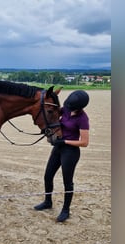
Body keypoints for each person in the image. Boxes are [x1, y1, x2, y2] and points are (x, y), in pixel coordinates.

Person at [34, 90, 90, 222]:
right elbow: (52, 117)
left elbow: (84, 142)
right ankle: (48, 201)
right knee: (48, 175)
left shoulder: (83, 119)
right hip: (58, 147)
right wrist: (49, 133)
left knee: (67, 182)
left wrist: (65, 141)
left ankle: (66, 210)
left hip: (70, 152)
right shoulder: (65, 109)